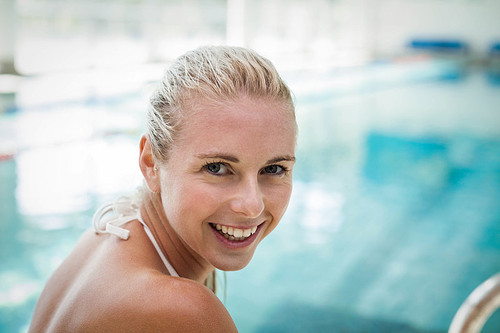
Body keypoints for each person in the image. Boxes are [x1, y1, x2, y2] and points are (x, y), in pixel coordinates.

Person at [29, 45, 297, 332]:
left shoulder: (108, 232)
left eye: (273, 169)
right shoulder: (184, 311)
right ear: (150, 163)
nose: (252, 205)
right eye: (216, 168)